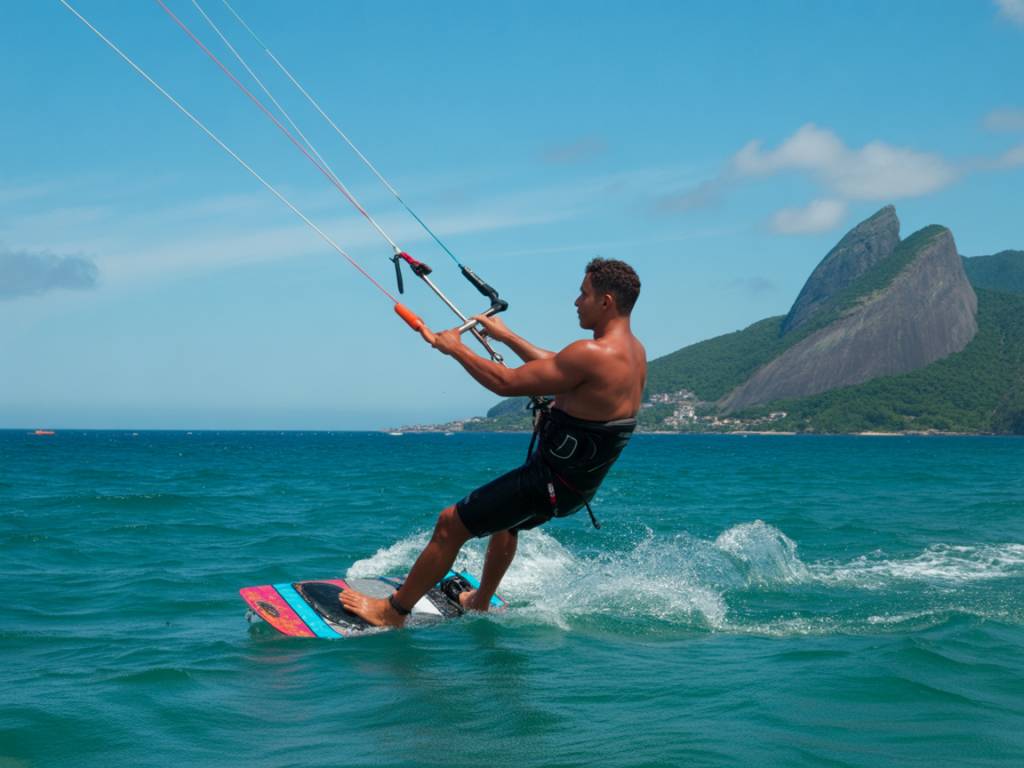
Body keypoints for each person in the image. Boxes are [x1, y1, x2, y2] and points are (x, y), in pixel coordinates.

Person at [340, 258, 646, 627]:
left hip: (547, 482)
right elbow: (559, 366)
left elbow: (508, 383)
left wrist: (456, 348)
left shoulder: (591, 353)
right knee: (507, 522)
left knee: (450, 523)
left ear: (606, 301)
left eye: (583, 294)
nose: (576, 302)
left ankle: (393, 611)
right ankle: (481, 600)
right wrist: (507, 337)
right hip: (572, 488)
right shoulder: (630, 352)